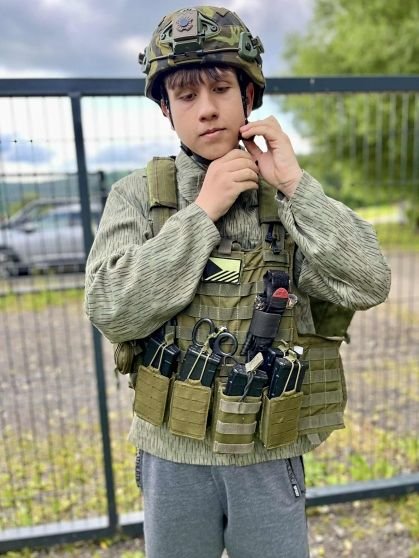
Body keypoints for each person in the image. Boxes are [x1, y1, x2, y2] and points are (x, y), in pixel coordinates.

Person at [84, 6, 391, 558]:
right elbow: (109, 307)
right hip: (172, 454)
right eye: (186, 96)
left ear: (249, 96)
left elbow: (370, 281)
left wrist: (294, 186)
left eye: (221, 89)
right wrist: (202, 212)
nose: (206, 108)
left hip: (266, 452)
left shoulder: (286, 195)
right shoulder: (138, 195)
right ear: (165, 110)